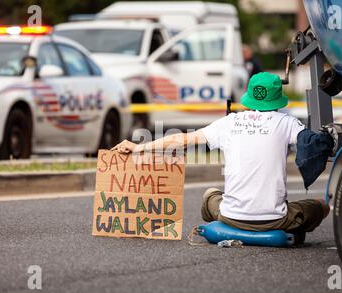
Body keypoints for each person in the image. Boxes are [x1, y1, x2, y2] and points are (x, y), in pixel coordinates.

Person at [113, 72, 330, 239]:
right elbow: (313, 143)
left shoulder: (229, 122)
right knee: (321, 206)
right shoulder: (287, 123)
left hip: (230, 217)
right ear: (277, 100)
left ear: (250, 97)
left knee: (210, 194)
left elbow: (180, 140)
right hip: (274, 221)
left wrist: (138, 148)